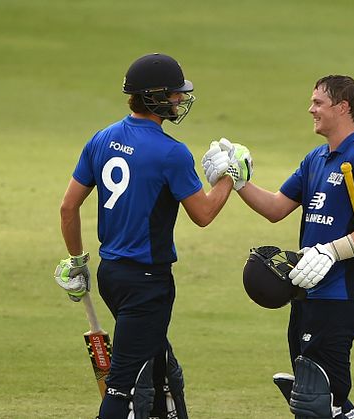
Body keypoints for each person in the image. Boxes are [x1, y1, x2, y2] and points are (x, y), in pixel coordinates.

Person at [53, 53, 249, 419]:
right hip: (147, 284)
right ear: (155, 97)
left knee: (158, 361)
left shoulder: (102, 138)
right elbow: (204, 214)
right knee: (120, 387)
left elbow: (68, 207)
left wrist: (78, 261)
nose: (179, 99)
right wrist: (231, 177)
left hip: (111, 275)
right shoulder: (171, 153)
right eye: (174, 94)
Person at [220, 75, 354, 418]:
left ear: (343, 107)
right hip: (306, 291)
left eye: (318, 103)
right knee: (319, 398)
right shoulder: (315, 159)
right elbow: (275, 208)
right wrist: (238, 182)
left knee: (316, 398)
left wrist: (332, 251)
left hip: (342, 293)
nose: (310, 109)